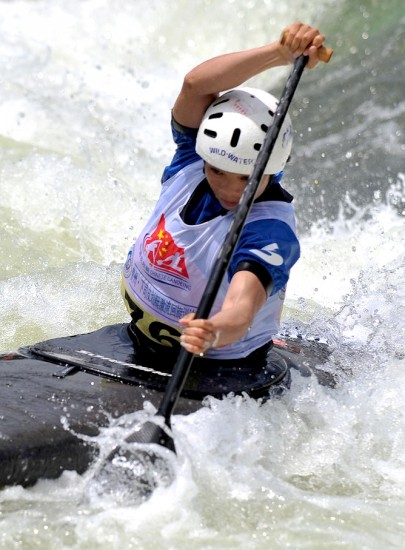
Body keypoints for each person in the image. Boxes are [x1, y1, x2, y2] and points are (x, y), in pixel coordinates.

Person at [122, 22, 327, 368]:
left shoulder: (268, 231)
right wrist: (279, 54)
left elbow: (241, 309)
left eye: (247, 178)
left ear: (271, 168)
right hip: (137, 340)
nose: (230, 189)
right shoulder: (191, 159)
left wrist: (214, 330)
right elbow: (195, 85)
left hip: (221, 368)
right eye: (217, 170)